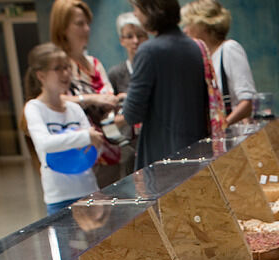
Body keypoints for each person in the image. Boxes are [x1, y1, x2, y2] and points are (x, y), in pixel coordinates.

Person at [19, 42, 105, 260]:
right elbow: (44, 145)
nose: (65, 73)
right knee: (58, 257)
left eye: (67, 67)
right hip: (58, 195)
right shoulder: (34, 108)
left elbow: (94, 144)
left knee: (85, 253)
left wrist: (86, 139)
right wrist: (82, 136)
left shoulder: (75, 108)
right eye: (58, 68)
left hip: (87, 191)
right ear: (41, 75)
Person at [122, 0, 208, 169]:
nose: (135, 14)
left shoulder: (148, 51)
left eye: (137, 8)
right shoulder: (194, 47)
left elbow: (132, 114)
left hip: (161, 159)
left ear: (151, 10)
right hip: (194, 152)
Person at [50, 0, 125, 188]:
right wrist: (90, 99)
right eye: (79, 24)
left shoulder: (94, 64)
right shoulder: (58, 66)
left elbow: (108, 97)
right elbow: (52, 100)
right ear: (63, 28)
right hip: (80, 154)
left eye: (87, 24)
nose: (86, 29)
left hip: (110, 148)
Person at [180, 0, 256, 126]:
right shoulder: (204, 57)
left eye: (188, 24)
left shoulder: (229, 49)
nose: (185, 30)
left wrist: (221, 127)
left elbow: (247, 103)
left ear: (203, 25)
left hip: (234, 137)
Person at [107, 13, 148, 175]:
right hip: (129, 146)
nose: (135, 41)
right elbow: (108, 119)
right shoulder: (116, 74)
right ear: (121, 41)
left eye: (140, 35)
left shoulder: (154, 69)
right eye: (129, 36)